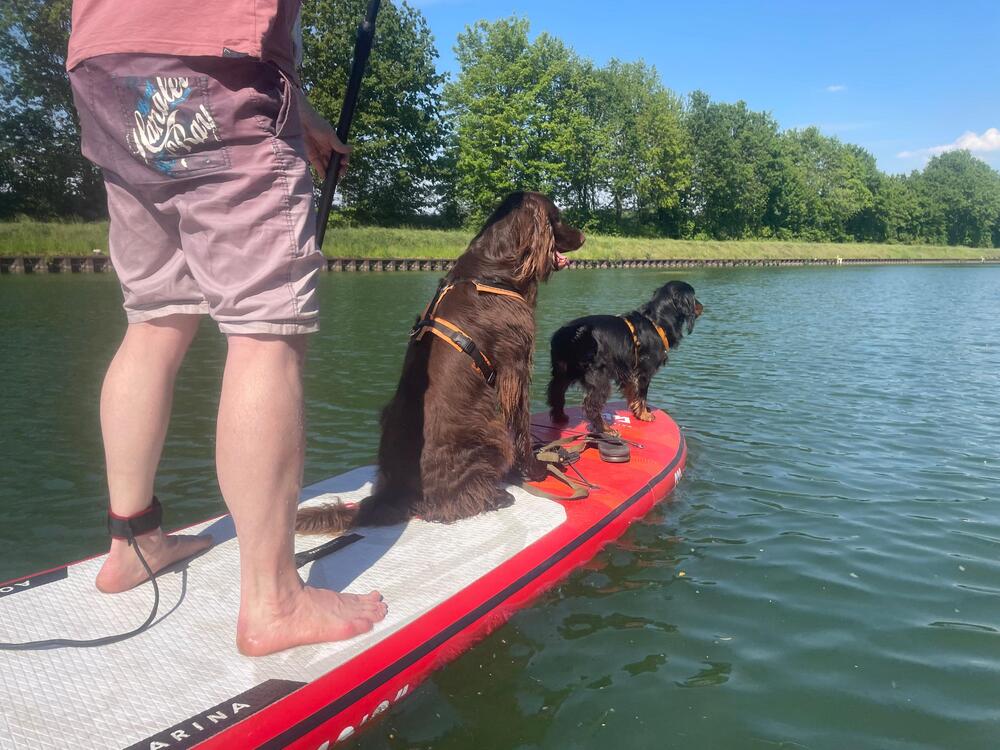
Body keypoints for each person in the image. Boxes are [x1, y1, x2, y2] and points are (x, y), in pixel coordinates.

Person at [65, 0, 387, 656]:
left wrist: (300, 112)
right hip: (216, 63)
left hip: (105, 67)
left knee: (154, 317)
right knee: (266, 330)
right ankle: (273, 602)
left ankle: (133, 543)